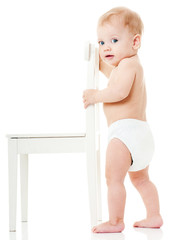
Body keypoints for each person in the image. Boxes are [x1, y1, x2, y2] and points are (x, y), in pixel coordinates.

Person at [82, 7, 163, 233]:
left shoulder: (129, 65)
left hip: (125, 134)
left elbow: (119, 92)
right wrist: (96, 60)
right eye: (101, 42)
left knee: (113, 178)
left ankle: (116, 221)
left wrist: (95, 96)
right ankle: (154, 215)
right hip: (141, 136)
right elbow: (110, 73)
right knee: (141, 180)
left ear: (135, 42)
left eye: (114, 40)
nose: (106, 47)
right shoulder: (125, 66)